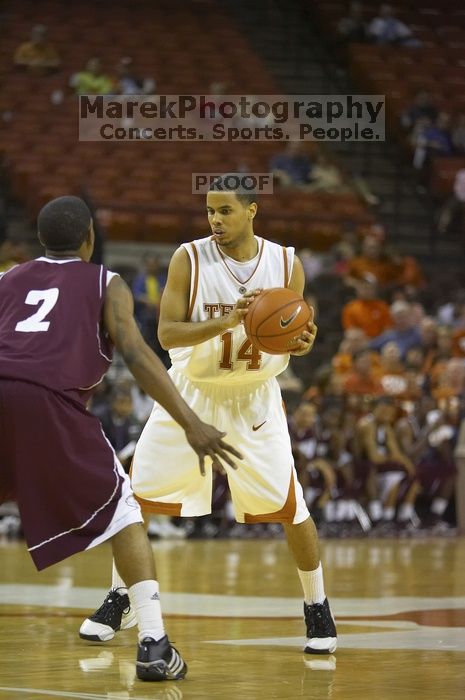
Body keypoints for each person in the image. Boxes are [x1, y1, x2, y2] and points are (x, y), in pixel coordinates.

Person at [81, 176, 337, 655]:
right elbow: (167, 334)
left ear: (252, 210)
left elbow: (300, 330)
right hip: (190, 395)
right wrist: (228, 320)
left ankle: (317, 605)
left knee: (291, 507)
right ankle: (122, 595)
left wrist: (305, 341)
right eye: (210, 212)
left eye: (225, 211)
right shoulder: (189, 258)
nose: (215, 220)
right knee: (136, 500)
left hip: (254, 397)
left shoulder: (286, 263)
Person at [0, 196, 242, 682]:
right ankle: (153, 643)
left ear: (41, 240)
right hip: (49, 401)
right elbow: (135, 352)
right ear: (89, 238)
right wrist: (191, 422)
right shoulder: (105, 282)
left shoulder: (6, 280)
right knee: (125, 510)